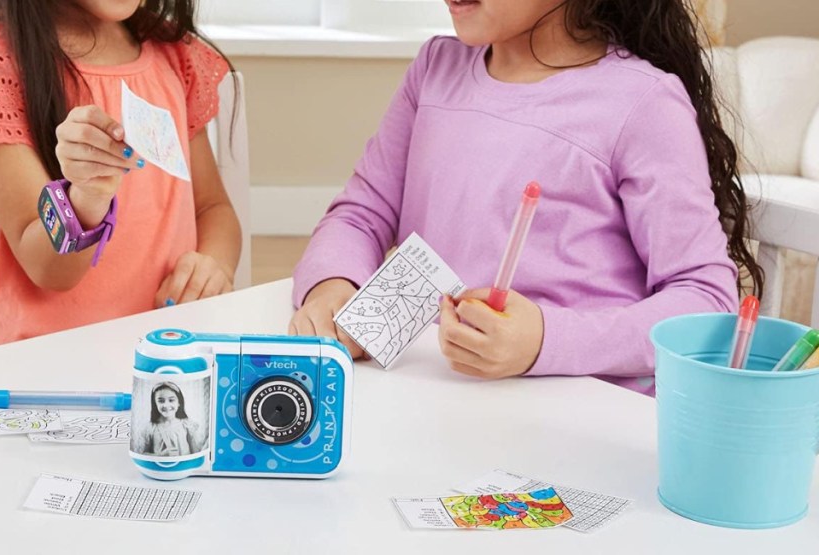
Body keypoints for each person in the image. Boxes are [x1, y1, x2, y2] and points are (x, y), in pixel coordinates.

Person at [289, 0, 762, 396]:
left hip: (580, 417)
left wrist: (544, 341)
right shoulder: (436, 69)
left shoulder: (644, 103)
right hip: (443, 397)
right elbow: (361, 214)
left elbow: (704, 302)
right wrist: (333, 287)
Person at [0, 0, 241, 347]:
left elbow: (211, 208)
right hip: (49, 370)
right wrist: (87, 197)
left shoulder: (172, 53)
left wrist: (213, 266)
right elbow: (49, 270)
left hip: (172, 360)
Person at [141, 382, 206, 457]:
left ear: (179, 403)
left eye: (171, 400)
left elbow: (196, 453)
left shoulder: (187, 425)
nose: (166, 405)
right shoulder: (150, 428)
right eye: (161, 401)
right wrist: (160, 455)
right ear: (155, 404)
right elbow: (143, 454)